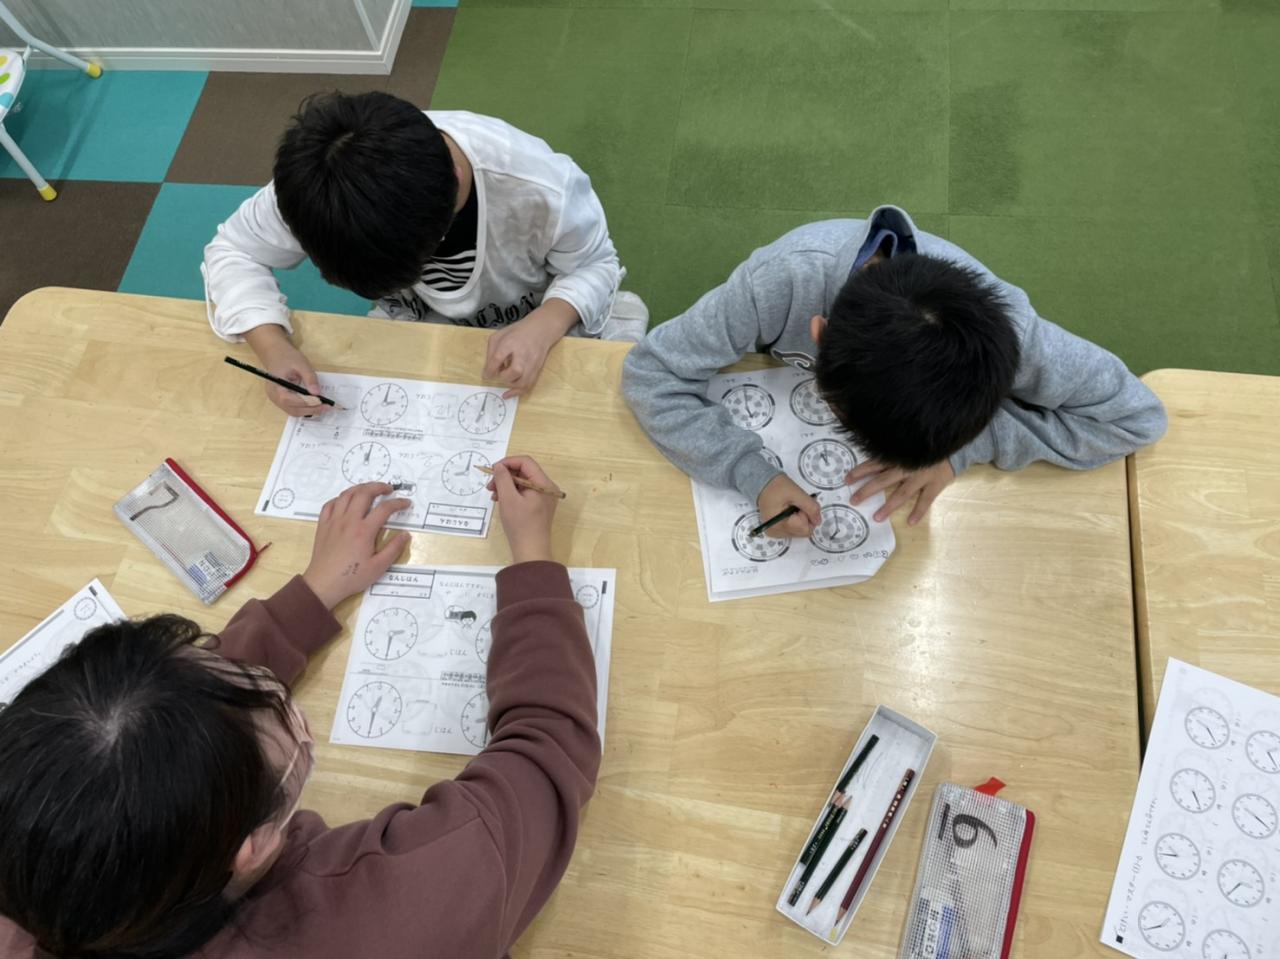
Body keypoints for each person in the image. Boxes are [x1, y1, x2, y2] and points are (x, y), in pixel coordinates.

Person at [0, 459, 599, 959]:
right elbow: (547, 748)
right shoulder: (393, 917)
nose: (246, 672)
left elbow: (151, 725)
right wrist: (533, 557)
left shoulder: (42, 879)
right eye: (268, 708)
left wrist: (313, 593)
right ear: (254, 846)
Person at [622, 205, 1167, 534]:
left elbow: (1138, 418)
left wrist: (964, 450)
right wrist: (751, 472)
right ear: (818, 334)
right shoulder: (779, 282)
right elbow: (651, 374)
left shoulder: (1018, 338)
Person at [203, 91, 648, 410]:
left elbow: (596, 264)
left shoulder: (539, 185)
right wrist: (272, 346)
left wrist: (545, 325)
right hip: (416, 320)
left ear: (454, 179)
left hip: (531, 313)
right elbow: (233, 251)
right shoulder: (317, 189)